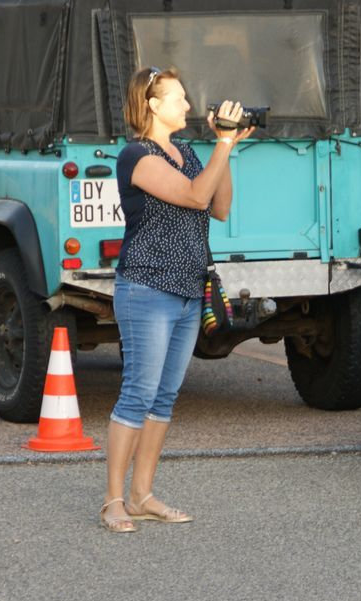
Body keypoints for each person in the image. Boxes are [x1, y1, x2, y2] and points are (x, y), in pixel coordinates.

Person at [100, 66, 254, 532]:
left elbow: (220, 206)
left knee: (164, 397)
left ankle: (143, 495)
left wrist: (223, 150)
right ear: (151, 104)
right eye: (179, 98)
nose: (189, 106)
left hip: (189, 290)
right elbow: (192, 196)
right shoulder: (135, 156)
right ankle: (112, 501)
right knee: (137, 394)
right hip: (146, 288)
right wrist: (222, 145)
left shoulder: (188, 151)